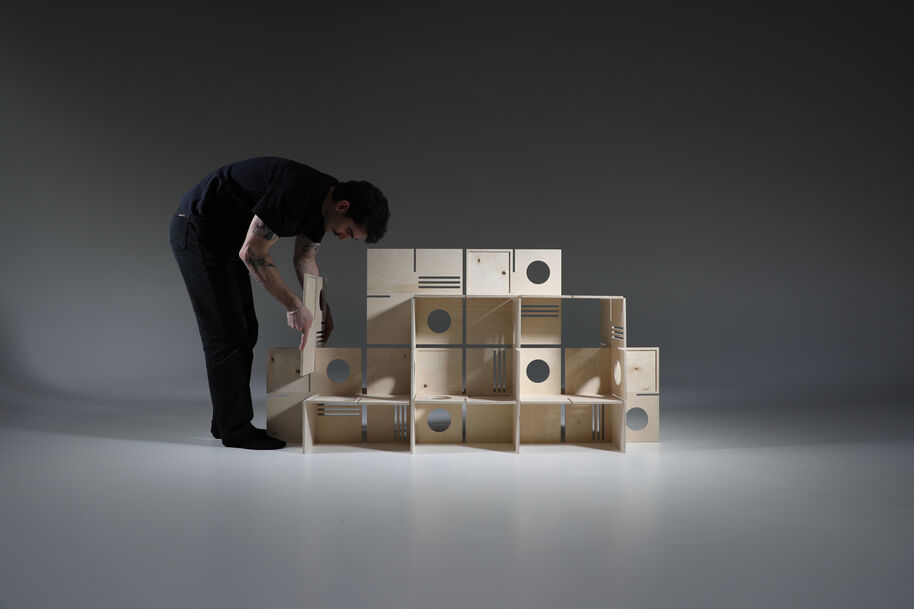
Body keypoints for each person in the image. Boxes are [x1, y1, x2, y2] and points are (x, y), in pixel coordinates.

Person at [169, 157, 390, 450]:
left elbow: (305, 258)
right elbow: (252, 252)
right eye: (348, 231)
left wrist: (323, 309)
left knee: (246, 329)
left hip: (227, 238)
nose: (342, 238)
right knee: (226, 332)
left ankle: (225, 421)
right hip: (198, 229)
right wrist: (294, 306)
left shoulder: (324, 206)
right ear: (343, 207)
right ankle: (236, 430)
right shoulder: (297, 191)